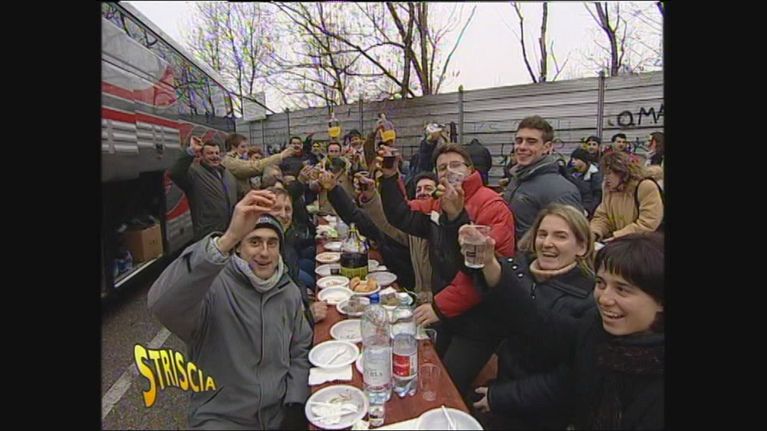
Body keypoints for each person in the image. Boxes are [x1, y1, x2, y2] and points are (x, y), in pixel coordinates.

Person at [148, 190, 312, 429]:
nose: (264, 252)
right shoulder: (211, 288)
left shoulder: (288, 292)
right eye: (254, 242)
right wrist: (227, 239)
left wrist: (295, 402)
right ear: (238, 248)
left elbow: (300, 348)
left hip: (276, 417)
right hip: (221, 420)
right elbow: (162, 304)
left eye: (272, 243)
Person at [470, 232, 665, 429]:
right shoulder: (595, 331)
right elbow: (538, 324)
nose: (604, 299)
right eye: (601, 283)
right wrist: (490, 265)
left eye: (622, 289)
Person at [379, 142, 516, 396]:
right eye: (442, 168)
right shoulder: (437, 203)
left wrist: (438, 307)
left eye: (455, 165)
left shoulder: (492, 206)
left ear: (470, 169)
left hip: (479, 320)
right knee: (429, 368)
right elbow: (402, 215)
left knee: (447, 385)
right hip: (447, 313)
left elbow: (481, 275)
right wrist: (388, 178)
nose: (449, 171)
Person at [460, 204, 596, 429]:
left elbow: (565, 381)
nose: (547, 243)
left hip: (541, 414)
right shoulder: (520, 269)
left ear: (581, 247)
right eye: (542, 234)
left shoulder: (588, 300)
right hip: (504, 386)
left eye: (560, 236)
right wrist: (457, 223)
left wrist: (500, 398)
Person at [501, 116, 583, 243]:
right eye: (519, 140)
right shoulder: (518, 178)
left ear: (547, 147)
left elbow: (570, 240)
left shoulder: (561, 191)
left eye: (531, 142)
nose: (522, 147)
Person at [169, 137, 238, 241]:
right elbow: (175, 173)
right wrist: (191, 150)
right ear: (201, 155)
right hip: (207, 234)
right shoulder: (194, 173)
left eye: (217, 153)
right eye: (210, 153)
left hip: (229, 231)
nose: (215, 156)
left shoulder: (227, 174)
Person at [591, 152, 663, 242]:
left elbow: (648, 222)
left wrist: (617, 236)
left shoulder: (645, 186)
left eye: (609, 173)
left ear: (621, 172)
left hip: (645, 243)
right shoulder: (609, 189)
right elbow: (602, 216)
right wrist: (594, 233)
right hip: (621, 242)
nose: (606, 178)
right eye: (604, 174)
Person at [222, 133, 293, 199]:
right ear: (233, 147)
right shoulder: (228, 161)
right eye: (242, 147)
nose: (246, 150)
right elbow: (255, 167)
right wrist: (280, 156)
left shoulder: (237, 160)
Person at [567, 148, 604, 218]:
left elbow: (597, 196)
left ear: (584, 160)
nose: (572, 162)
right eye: (572, 159)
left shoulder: (595, 174)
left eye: (576, 159)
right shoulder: (570, 173)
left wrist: (588, 210)